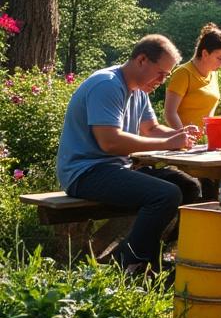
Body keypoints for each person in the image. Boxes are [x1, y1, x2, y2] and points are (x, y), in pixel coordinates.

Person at [56, 35, 202, 272]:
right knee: (165, 195)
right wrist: (168, 142)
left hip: (114, 169)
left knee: (189, 186)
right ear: (142, 59)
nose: (162, 81)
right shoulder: (107, 85)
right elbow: (109, 143)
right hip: (84, 172)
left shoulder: (139, 91)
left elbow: (152, 130)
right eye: (161, 73)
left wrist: (180, 135)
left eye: (166, 76)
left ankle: (154, 257)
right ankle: (129, 263)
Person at [164, 23, 221, 130]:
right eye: (220, 58)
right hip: (182, 143)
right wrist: (183, 137)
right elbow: (169, 113)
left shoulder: (213, 74)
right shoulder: (183, 73)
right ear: (205, 54)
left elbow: (208, 115)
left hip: (206, 143)